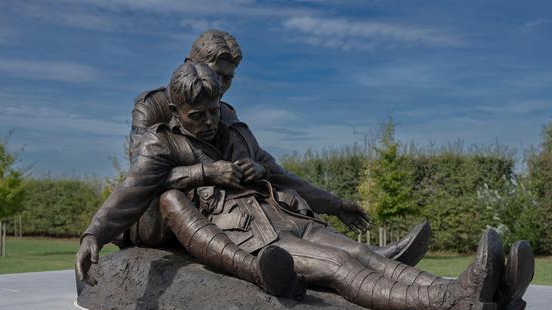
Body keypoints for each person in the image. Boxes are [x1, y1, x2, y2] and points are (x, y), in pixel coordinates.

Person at [77, 62, 534, 310]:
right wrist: (94, 234)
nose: (208, 122)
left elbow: (284, 175)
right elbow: (131, 192)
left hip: (283, 214)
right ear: (176, 114)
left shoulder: (237, 131)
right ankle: (453, 305)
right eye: (197, 116)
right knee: (342, 269)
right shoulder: (163, 146)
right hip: (251, 237)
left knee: (362, 253)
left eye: (213, 110)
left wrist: (337, 202)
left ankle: (484, 294)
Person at [126, 29, 429, 264]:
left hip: (217, 208)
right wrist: (205, 173)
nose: (220, 85)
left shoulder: (226, 113)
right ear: (189, 65)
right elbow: (142, 180)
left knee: (277, 192)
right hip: (164, 216)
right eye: (215, 74)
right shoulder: (151, 106)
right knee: (173, 195)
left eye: (228, 79)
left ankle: (362, 255)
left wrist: (335, 205)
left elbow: (274, 170)